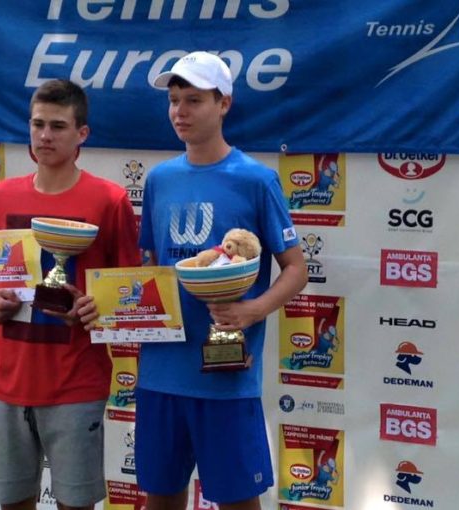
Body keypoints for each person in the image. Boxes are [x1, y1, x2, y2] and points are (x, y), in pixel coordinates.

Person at [136, 51, 308, 510]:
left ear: (224, 103)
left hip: (227, 375)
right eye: (173, 101)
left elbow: (296, 269)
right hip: (161, 372)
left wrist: (252, 310)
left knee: (237, 503)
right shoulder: (159, 179)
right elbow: (151, 269)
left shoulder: (256, 179)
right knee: (160, 500)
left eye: (193, 100)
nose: (180, 112)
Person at [0, 79, 140, 510]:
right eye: (38, 124)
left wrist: (94, 307)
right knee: (12, 503)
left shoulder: (110, 200)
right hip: (8, 378)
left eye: (58, 126)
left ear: (82, 133)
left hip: (75, 382)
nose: (45, 136)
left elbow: (130, 292)